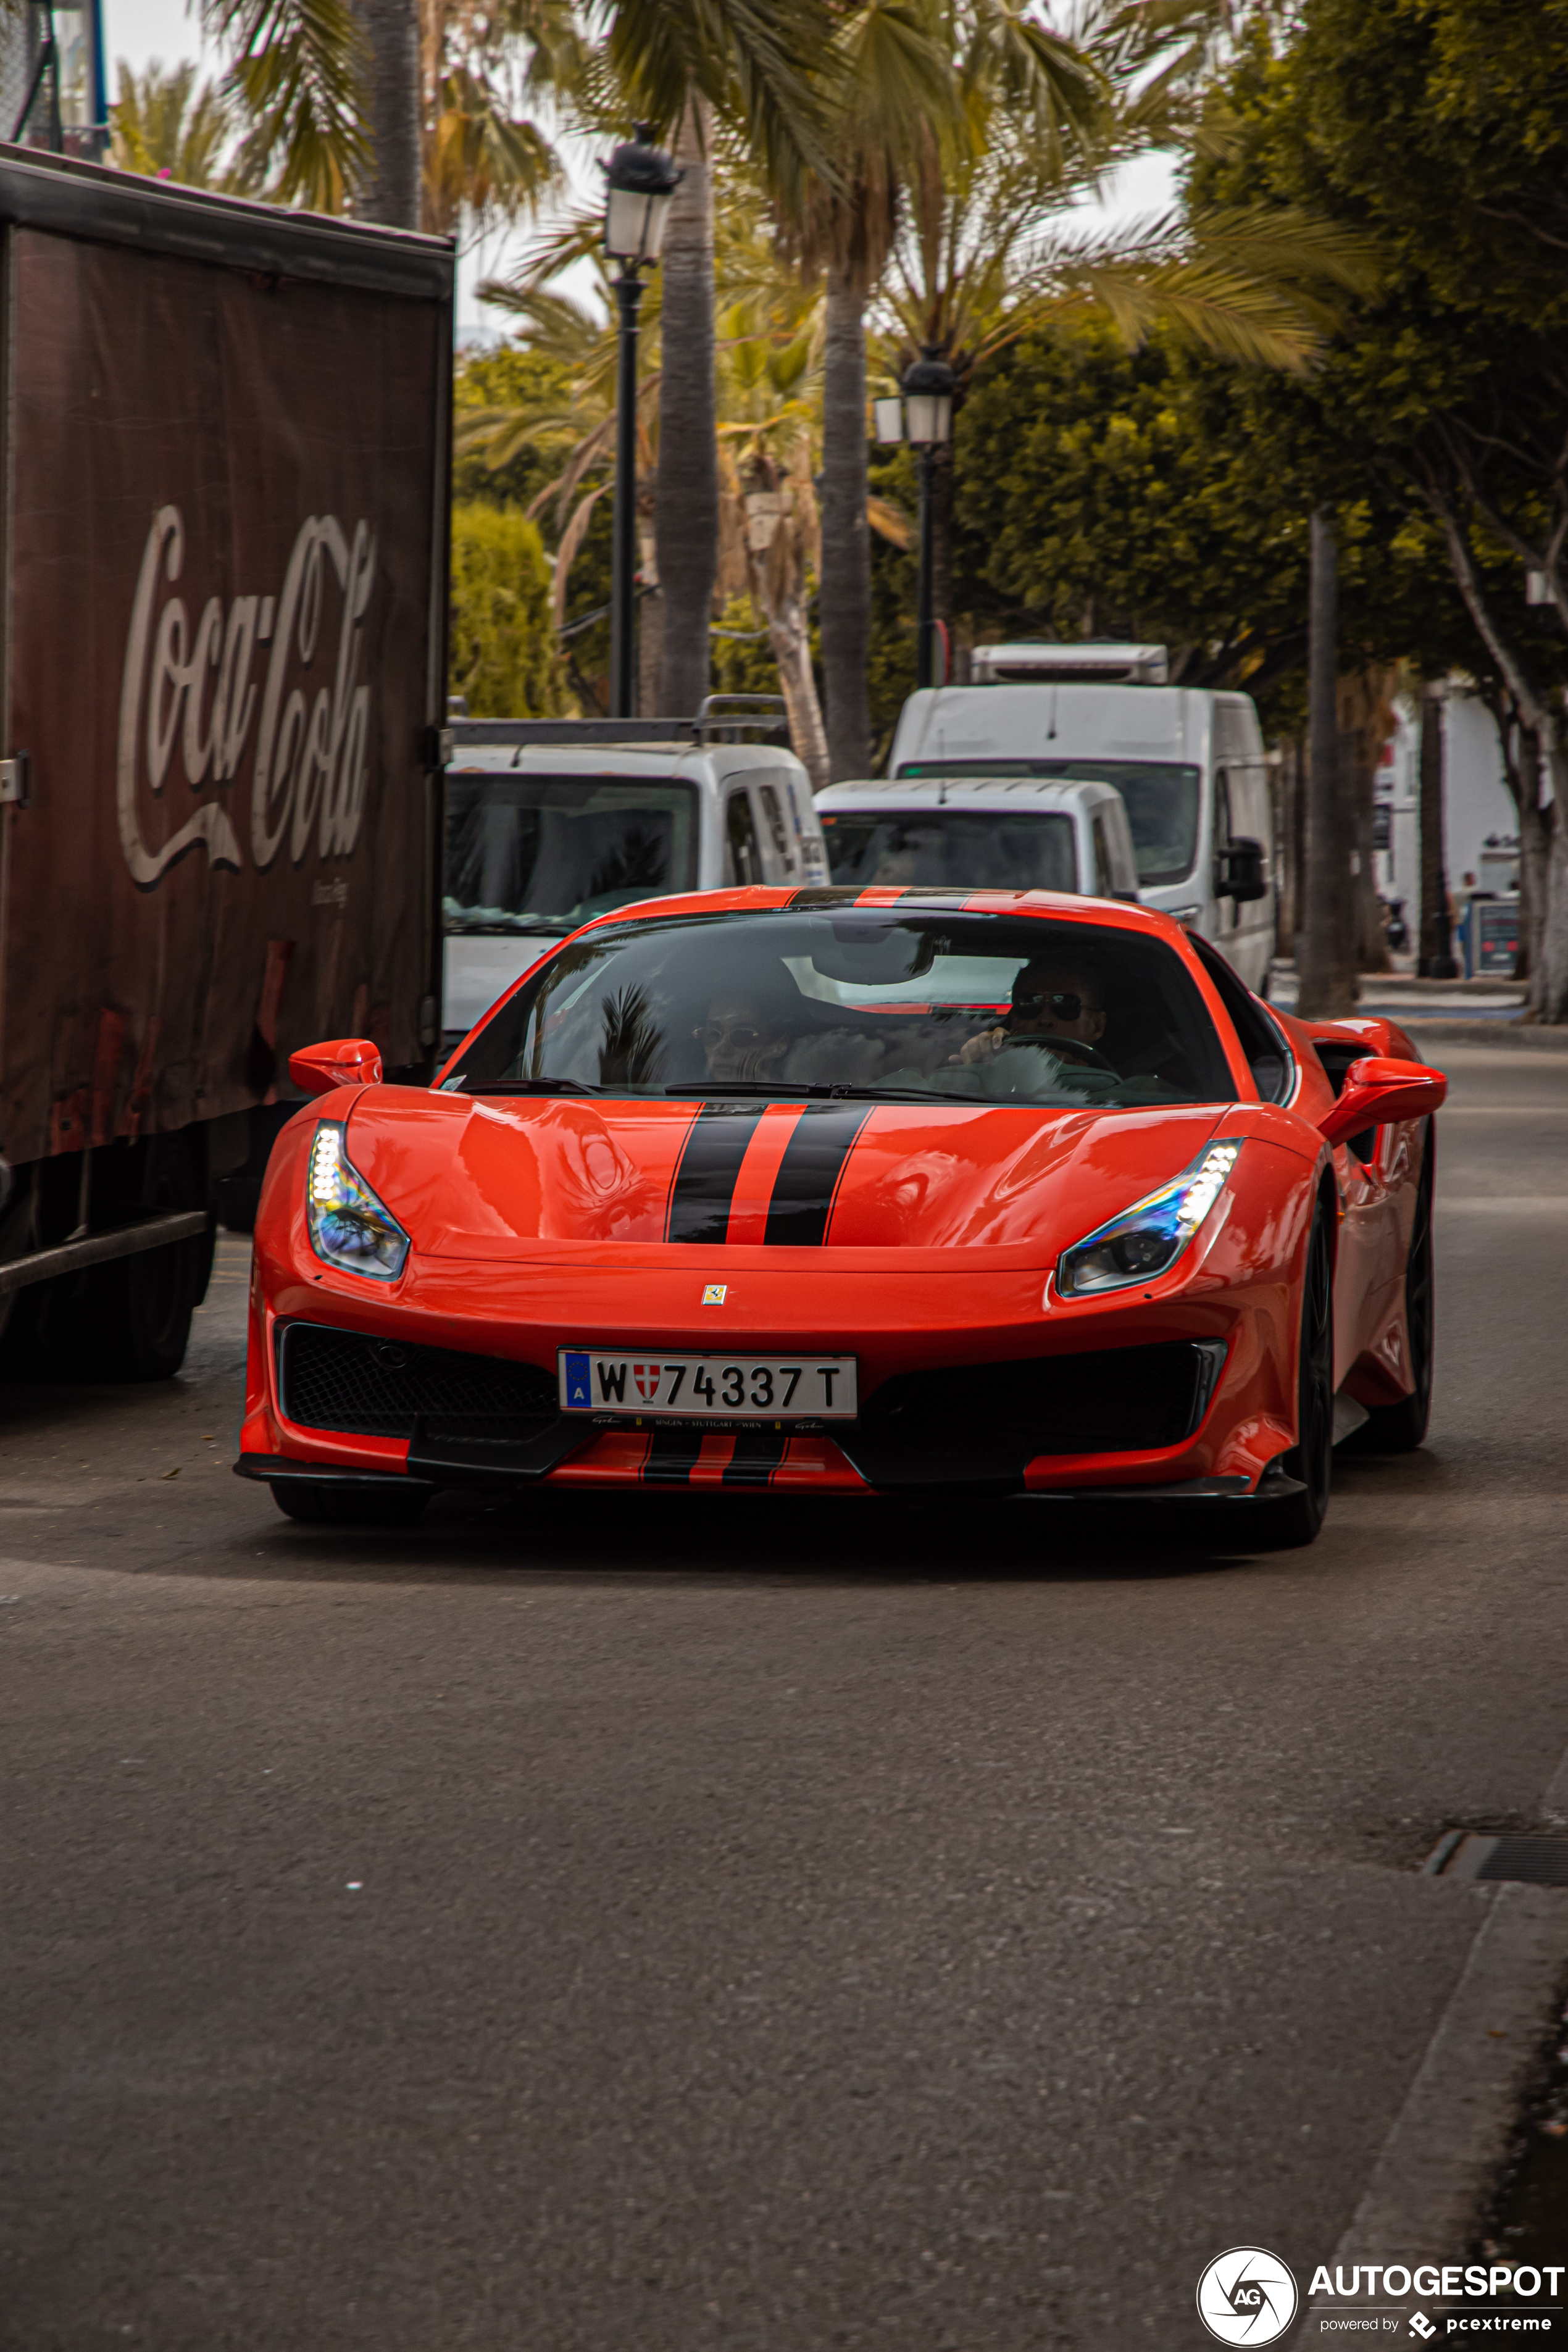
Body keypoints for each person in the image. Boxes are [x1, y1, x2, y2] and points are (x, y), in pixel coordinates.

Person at [954, 957, 1111, 1068]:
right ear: (1014, 1018)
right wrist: (978, 1060)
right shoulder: (990, 1072)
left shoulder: (1121, 1098)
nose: (1045, 1019)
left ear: (1097, 1026)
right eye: (1029, 1004)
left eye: (1065, 1005)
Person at [694, 993, 794, 1083]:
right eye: (712, 1034)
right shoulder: (686, 1090)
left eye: (742, 1034)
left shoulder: (799, 1098)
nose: (723, 1049)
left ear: (780, 1044)